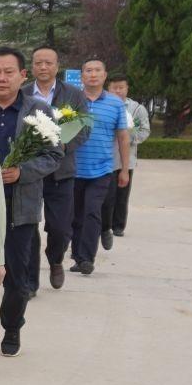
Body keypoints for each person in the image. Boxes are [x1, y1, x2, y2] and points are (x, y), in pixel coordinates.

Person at [0, 47, 64, 364]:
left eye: (8, 71)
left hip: (19, 209)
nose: (1, 77)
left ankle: (12, 327)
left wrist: (22, 172)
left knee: (15, 279)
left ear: (23, 76)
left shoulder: (38, 112)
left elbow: (54, 156)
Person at [23, 47, 87, 290]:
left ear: (57, 66)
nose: (43, 67)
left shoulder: (73, 95)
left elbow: (83, 129)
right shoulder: (23, 93)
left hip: (61, 171)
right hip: (30, 171)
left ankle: (56, 259)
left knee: (60, 228)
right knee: (27, 225)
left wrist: (62, 146)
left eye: (48, 63)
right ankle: (29, 282)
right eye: (38, 62)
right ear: (32, 66)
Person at [66, 59, 131, 277]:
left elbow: (123, 137)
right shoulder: (71, 101)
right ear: (82, 76)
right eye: (88, 71)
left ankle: (87, 258)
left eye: (97, 71)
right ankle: (76, 255)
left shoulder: (115, 104)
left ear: (105, 76)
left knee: (92, 212)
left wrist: (123, 169)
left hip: (102, 170)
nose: (92, 74)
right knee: (75, 216)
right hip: (73, 169)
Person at [103, 74, 150, 240]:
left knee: (121, 195)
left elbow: (145, 131)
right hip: (104, 157)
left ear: (127, 88)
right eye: (114, 87)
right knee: (105, 195)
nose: (118, 90)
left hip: (125, 160)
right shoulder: (101, 105)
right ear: (108, 88)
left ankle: (118, 225)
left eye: (121, 87)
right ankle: (104, 225)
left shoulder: (137, 109)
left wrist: (127, 137)